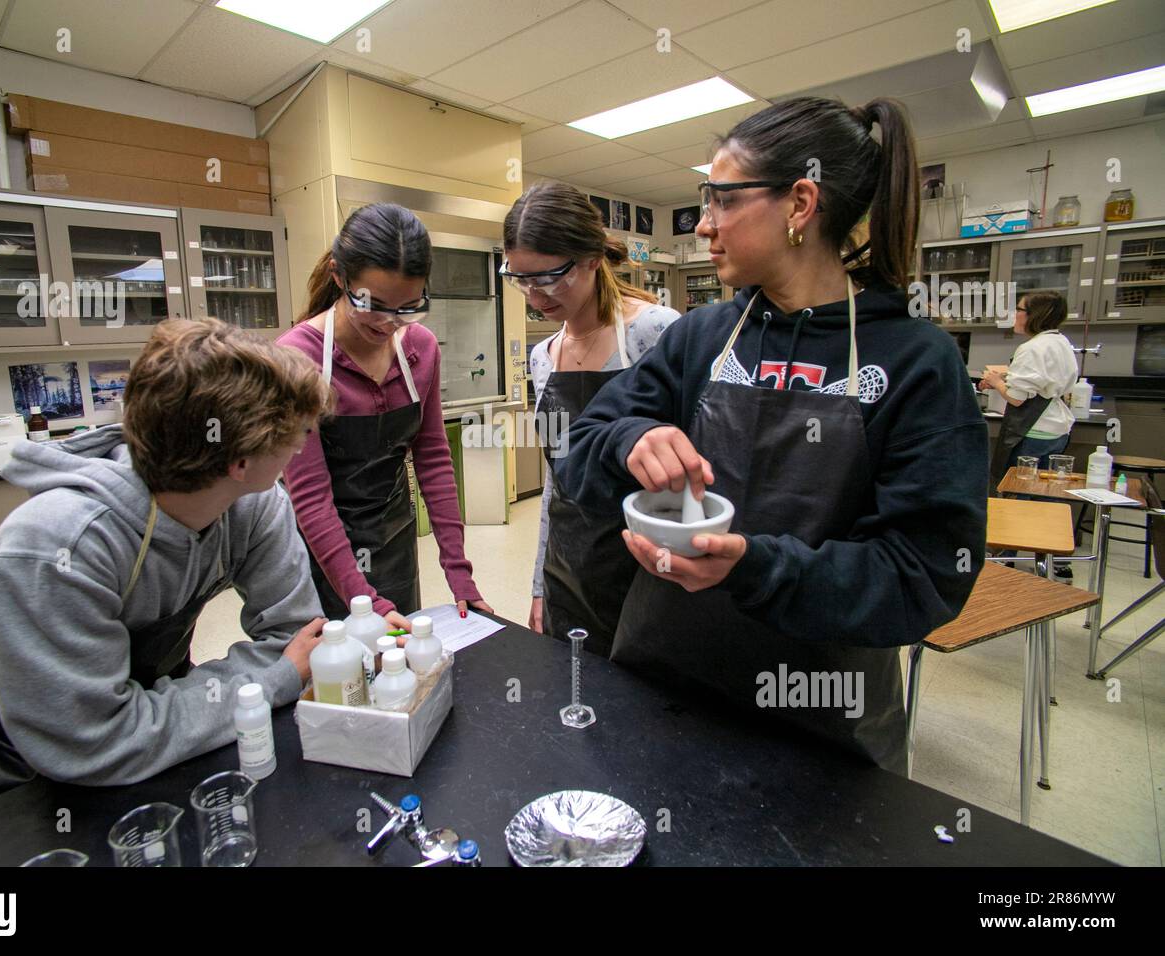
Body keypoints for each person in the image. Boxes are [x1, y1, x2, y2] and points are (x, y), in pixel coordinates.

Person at [555, 97, 988, 773]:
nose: (703, 225)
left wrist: (755, 567)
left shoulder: (914, 361)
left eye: (722, 199)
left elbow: (924, 575)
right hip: (665, 682)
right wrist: (627, 438)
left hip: (817, 719)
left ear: (800, 202)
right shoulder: (701, 338)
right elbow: (580, 452)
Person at [0, 319, 333, 815]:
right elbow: (96, 740)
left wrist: (180, 710)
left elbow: (295, 639)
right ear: (242, 459)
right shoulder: (52, 548)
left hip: (162, 736)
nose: (303, 444)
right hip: (30, 768)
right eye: (297, 433)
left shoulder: (252, 503)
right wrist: (266, 684)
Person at [278, 204, 490, 630]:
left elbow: (432, 456)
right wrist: (365, 603)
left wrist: (458, 571)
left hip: (393, 536)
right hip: (317, 549)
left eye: (408, 307)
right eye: (371, 304)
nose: (390, 323)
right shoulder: (296, 358)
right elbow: (311, 496)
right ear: (339, 276)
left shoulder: (421, 348)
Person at [504, 182, 678, 653]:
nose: (535, 294)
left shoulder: (656, 331)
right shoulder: (544, 356)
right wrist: (542, 582)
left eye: (550, 277)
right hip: (568, 564)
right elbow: (554, 482)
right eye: (520, 278)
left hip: (643, 564)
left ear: (592, 259)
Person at [979, 291, 1078, 484]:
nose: (1015, 314)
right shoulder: (1060, 341)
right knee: (1045, 490)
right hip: (1057, 429)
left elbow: (1017, 398)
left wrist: (997, 382)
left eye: (1019, 309)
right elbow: (1045, 380)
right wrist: (1003, 380)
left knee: (1019, 490)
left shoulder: (1031, 348)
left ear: (1035, 314)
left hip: (1033, 432)